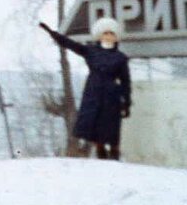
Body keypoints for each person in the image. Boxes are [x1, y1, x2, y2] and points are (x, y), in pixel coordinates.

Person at [38, 17, 131, 160]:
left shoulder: (120, 58)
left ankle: (114, 152)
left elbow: (126, 81)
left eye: (112, 34)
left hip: (111, 94)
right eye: (105, 33)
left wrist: (127, 102)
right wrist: (52, 33)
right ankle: (100, 151)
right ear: (99, 35)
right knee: (94, 122)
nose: (108, 36)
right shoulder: (91, 51)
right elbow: (71, 44)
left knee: (111, 125)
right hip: (93, 91)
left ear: (116, 37)